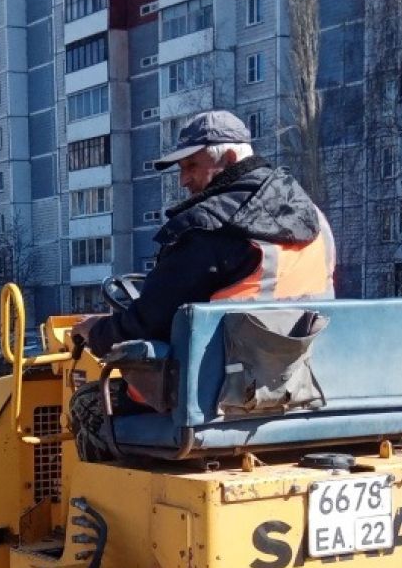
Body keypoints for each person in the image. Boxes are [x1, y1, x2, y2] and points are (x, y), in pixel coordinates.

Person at [66, 110, 336, 456]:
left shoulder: (209, 227)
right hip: (303, 388)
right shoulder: (313, 218)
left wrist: (97, 331)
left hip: (219, 398)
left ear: (230, 158)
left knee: (87, 404)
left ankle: (106, 491)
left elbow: (147, 322)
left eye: (192, 166)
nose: (183, 180)